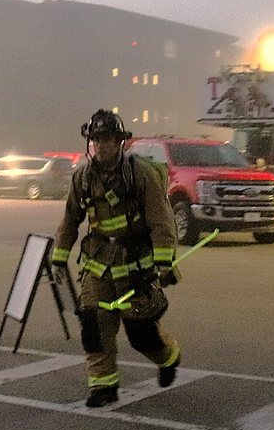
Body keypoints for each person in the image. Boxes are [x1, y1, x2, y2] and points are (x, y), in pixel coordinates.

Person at [51, 109, 181, 408]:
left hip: (136, 266)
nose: (103, 146)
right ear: (91, 142)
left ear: (120, 142)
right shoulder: (83, 177)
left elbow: (161, 221)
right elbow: (70, 219)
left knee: (141, 334)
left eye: (109, 140)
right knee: (94, 326)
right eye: (98, 140)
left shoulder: (141, 174)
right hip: (98, 265)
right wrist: (59, 259)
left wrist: (163, 262)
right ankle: (103, 387)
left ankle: (169, 357)